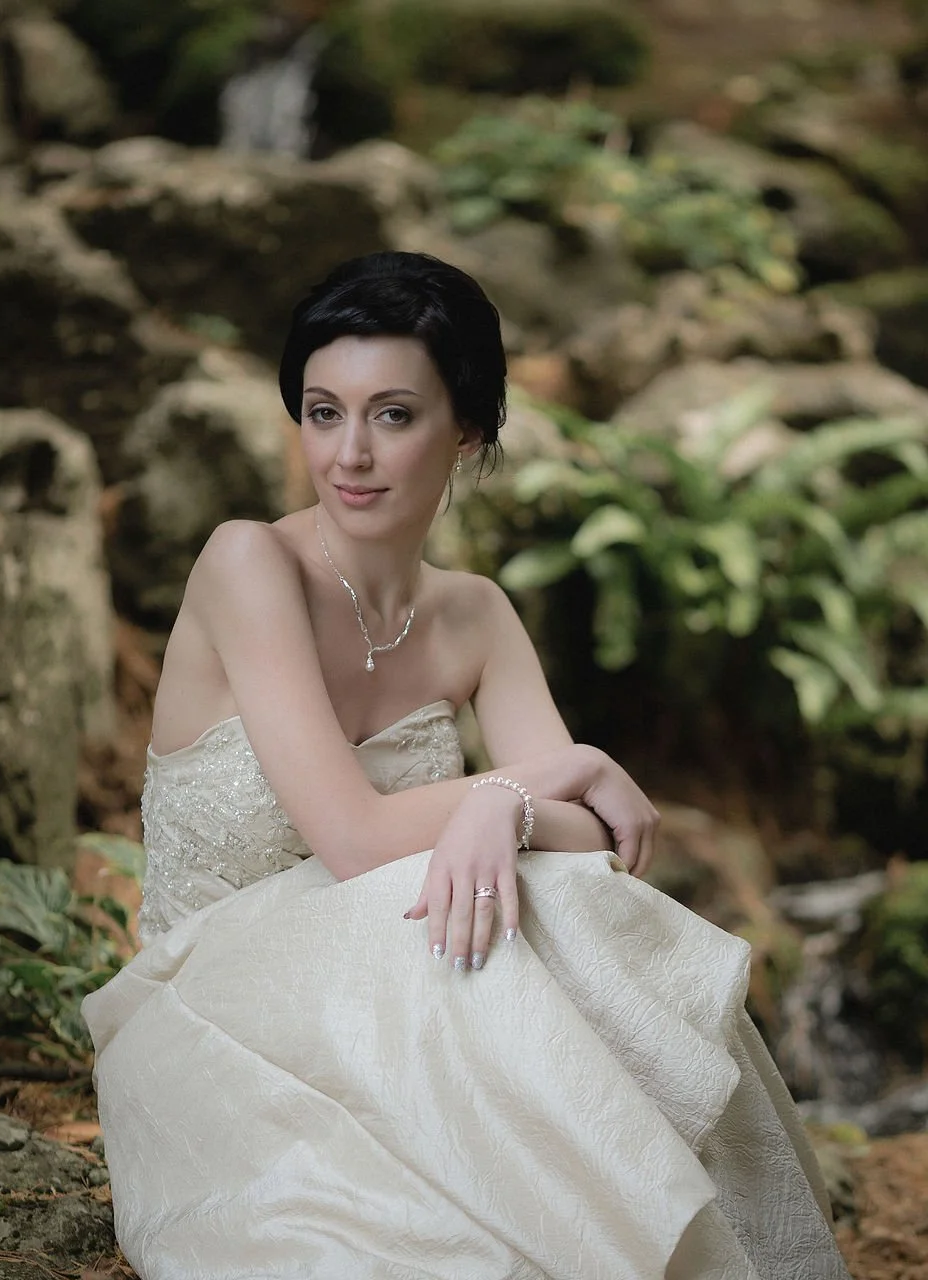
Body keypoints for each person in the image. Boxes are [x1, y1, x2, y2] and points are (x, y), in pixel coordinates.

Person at [82, 251, 851, 1280]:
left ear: (468, 431)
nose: (349, 454)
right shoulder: (245, 564)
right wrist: (522, 784)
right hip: (221, 1015)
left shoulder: (474, 615)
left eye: (392, 415)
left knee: (553, 896)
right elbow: (352, 837)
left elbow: (602, 844)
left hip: (400, 1000)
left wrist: (513, 815)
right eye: (322, 412)